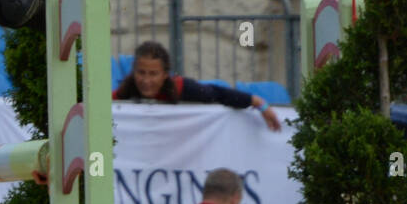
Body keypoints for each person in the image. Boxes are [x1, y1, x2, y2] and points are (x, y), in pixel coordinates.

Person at [113, 40, 282, 131]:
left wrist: (259, 103)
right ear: (133, 71)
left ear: (165, 75)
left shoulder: (181, 88)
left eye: (153, 74)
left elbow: (218, 94)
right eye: (141, 72)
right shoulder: (122, 94)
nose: (146, 80)